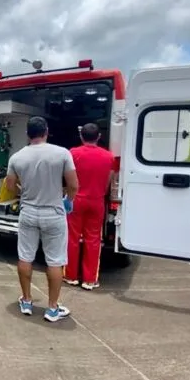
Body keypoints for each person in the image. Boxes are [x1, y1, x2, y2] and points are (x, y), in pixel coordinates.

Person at [4, 116, 79, 322]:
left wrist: (24, 192)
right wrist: (68, 201)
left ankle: (27, 300)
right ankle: (52, 308)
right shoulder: (62, 153)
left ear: (28, 134)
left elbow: (9, 186)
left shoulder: (17, 157)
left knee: (25, 257)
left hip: (28, 212)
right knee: (54, 260)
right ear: (46, 131)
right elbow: (73, 185)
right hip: (53, 212)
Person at [64, 122, 115, 290]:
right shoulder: (109, 157)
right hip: (97, 200)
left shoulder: (73, 153)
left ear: (81, 136)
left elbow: (68, 177)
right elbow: (109, 180)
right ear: (99, 137)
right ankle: (90, 280)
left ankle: (71, 276)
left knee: (72, 238)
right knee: (93, 240)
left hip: (76, 199)